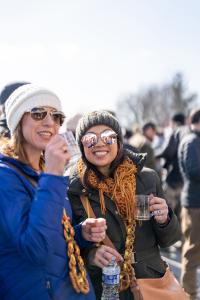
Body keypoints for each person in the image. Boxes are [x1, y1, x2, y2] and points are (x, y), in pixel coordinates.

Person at [0, 84, 107, 300]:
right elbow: (36, 249)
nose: (50, 122)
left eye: (57, 116)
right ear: (17, 120)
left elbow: (50, 236)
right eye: (38, 113)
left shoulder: (42, 170)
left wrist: (78, 234)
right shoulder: (6, 176)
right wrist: (53, 175)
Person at [68, 110, 181, 300]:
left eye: (107, 136)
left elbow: (169, 240)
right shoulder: (74, 188)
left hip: (150, 280)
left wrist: (165, 219)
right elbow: (68, 242)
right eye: (89, 138)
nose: (100, 143)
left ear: (119, 141)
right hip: (105, 285)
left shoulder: (147, 178)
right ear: (82, 145)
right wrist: (91, 255)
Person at [178, 108, 200, 299]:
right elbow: (194, 171)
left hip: (195, 202)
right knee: (193, 251)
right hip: (195, 204)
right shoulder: (192, 141)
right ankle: (189, 294)